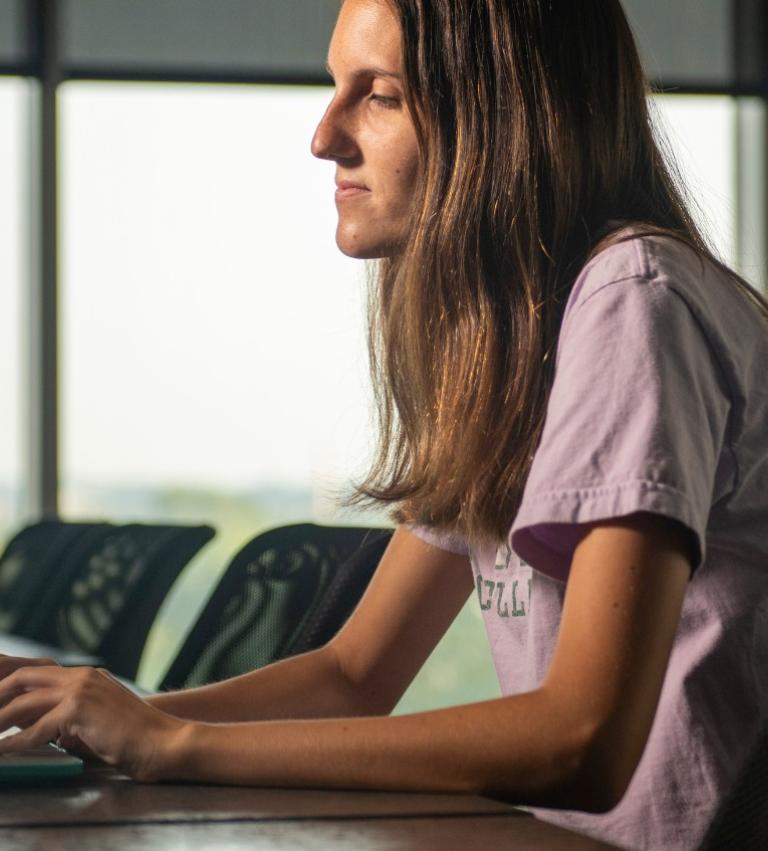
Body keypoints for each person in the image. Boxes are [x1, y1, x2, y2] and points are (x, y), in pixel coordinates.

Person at [1, 1, 767, 849]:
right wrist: (91, 712)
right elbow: (353, 673)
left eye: (383, 95)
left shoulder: (634, 299)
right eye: (337, 88)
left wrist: (173, 741)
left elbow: (583, 739)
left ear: (506, 115)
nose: (325, 136)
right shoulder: (511, 348)